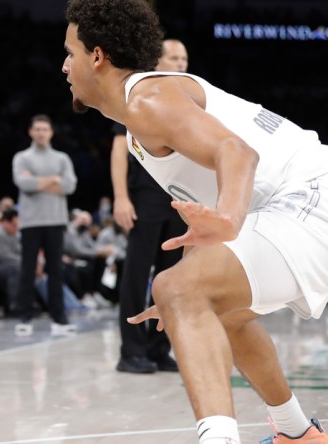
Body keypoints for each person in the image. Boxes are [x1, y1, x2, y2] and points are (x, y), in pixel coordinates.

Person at [64, 1, 328, 443]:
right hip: (294, 202)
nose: (64, 65)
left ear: (97, 56)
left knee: (178, 287)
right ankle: (296, 433)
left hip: (311, 196)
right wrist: (188, 291)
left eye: (70, 52)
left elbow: (238, 154)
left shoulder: (148, 98)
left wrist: (212, 242)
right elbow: (202, 212)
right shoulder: (137, 127)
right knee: (208, 305)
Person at [110, 39, 189, 374]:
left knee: (170, 278)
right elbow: (118, 150)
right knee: (137, 274)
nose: (182, 63)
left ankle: (159, 349)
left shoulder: (190, 98)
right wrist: (121, 197)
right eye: (175, 57)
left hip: (179, 197)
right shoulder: (138, 94)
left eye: (185, 58)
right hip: (145, 196)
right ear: (158, 60)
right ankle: (131, 350)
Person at [12, 114, 77, 336]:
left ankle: (59, 318)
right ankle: (24, 316)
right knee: (28, 270)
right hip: (30, 221)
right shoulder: (22, 157)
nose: (41, 133)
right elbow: (23, 183)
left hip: (55, 220)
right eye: (37, 129)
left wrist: (38, 181)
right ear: (31, 131)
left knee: (56, 271)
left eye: (44, 129)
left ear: (51, 132)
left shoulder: (61, 158)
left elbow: (69, 186)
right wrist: (54, 180)